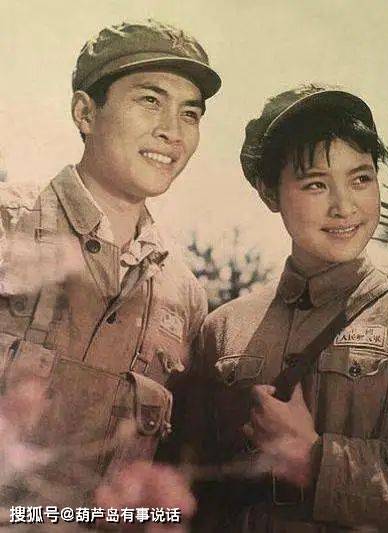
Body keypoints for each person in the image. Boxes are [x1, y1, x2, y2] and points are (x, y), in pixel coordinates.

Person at [190, 84, 388, 532]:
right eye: (316, 184)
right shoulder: (223, 329)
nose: (344, 207)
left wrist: (315, 460)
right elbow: (191, 488)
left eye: (361, 179)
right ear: (269, 193)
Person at [0, 19, 220, 508]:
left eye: (190, 113)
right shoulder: (7, 225)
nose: (171, 131)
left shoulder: (184, 295)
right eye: (150, 100)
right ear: (85, 112)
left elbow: (170, 478)